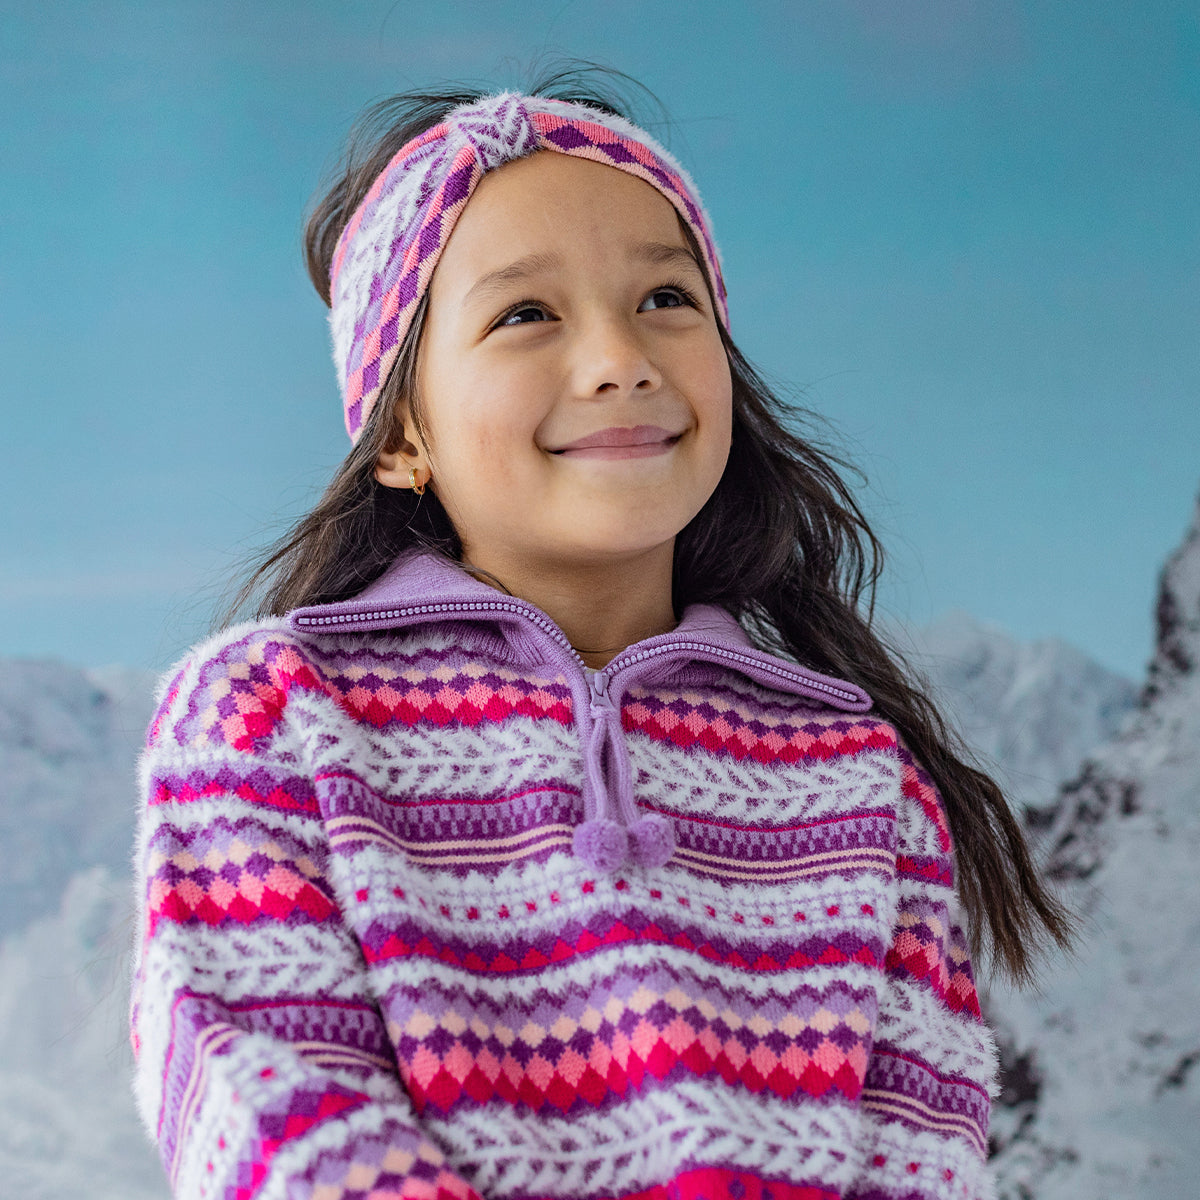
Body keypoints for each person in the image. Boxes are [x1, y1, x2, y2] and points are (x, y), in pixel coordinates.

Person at [131, 71, 1071, 1200]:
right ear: (401, 435)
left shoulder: (862, 779)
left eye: (666, 299)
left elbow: (923, 1138)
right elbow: (258, 1089)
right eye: (526, 314)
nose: (621, 359)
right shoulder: (270, 716)